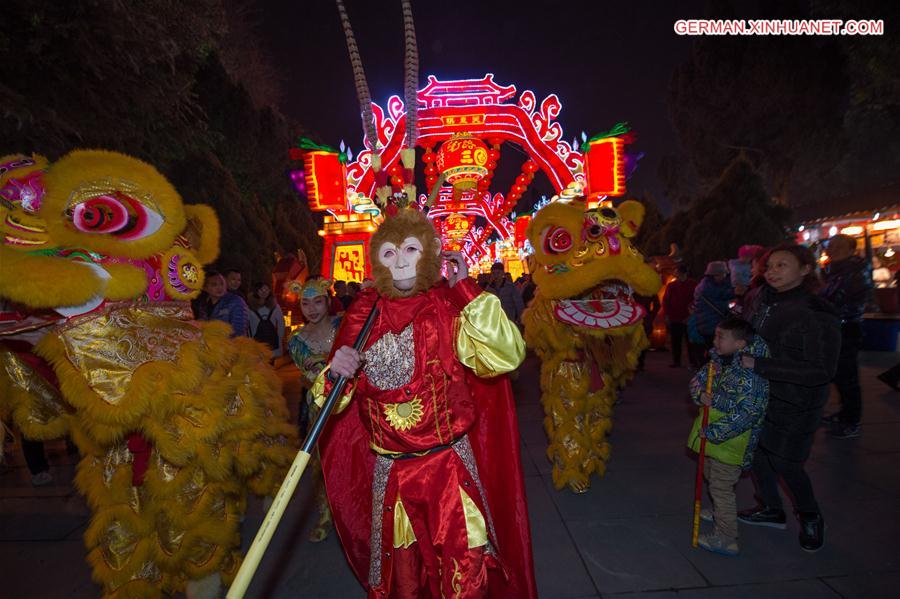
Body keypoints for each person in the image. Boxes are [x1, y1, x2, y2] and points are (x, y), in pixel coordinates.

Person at [313, 206, 536, 598]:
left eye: (410, 250)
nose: (400, 262)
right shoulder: (362, 314)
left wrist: (467, 290)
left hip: (448, 469)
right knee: (405, 583)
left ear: (431, 253)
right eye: (389, 253)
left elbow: (506, 355)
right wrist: (335, 373)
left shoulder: (449, 307)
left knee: (465, 578)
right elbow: (332, 401)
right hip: (393, 475)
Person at [738, 244, 840, 553]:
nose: (772, 271)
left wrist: (761, 365)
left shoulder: (817, 311)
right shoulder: (759, 299)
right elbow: (748, 334)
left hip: (796, 402)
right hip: (757, 394)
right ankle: (770, 507)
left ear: (806, 269)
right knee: (755, 454)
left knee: (786, 462)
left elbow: (822, 370)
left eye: (783, 265)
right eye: (769, 266)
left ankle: (810, 516)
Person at [688, 318, 769, 556]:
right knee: (711, 476)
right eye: (715, 336)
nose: (715, 342)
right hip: (713, 437)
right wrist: (700, 394)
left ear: (740, 343)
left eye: (721, 337)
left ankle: (726, 537)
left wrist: (714, 431)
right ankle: (719, 512)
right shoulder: (718, 361)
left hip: (732, 441)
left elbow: (749, 412)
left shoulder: (749, 373)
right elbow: (696, 382)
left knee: (722, 487)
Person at [287, 278, 341, 542]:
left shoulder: (344, 327)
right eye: (305, 303)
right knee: (321, 463)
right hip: (319, 409)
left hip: (350, 405)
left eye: (317, 301)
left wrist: (325, 361)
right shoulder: (297, 340)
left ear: (328, 301)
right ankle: (325, 513)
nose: (312, 309)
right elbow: (311, 375)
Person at [820, 235, 873, 438]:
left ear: (851, 249)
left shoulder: (855, 269)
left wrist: (824, 305)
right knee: (839, 374)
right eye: (831, 246)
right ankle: (845, 414)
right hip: (835, 326)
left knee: (847, 375)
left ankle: (852, 420)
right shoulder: (834, 270)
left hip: (847, 327)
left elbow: (845, 298)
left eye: (839, 246)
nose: (833, 250)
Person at [692, 261, 735, 349]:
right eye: (721, 274)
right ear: (713, 275)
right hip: (710, 325)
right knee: (715, 350)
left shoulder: (720, 285)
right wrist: (732, 302)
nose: (724, 276)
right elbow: (721, 303)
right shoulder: (706, 288)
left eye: (724, 274)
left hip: (714, 324)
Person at [662, 265, 698, 367]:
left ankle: (693, 361)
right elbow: (666, 301)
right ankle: (676, 361)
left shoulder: (693, 285)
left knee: (690, 341)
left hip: (688, 317)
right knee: (675, 340)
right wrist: (667, 315)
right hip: (675, 317)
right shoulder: (672, 286)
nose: (677, 276)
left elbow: (696, 301)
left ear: (685, 274)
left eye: (679, 274)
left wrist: (691, 316)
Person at [198, 270, 249, 337]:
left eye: (222, 284)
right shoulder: (203, 305)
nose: (219, 287)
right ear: (205, 288)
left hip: (230, 345)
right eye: (214, 284)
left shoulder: (236, 301)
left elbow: (238, 330)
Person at [248, 281, 286, 360]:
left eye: (266, 289)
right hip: (257, 343)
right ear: (256, 291)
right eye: (261, 290)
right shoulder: (250, 307)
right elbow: (248, 325)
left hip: (271, 342)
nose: (264, 292)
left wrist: (280, 338)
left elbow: (281, 323)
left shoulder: (275, 306)